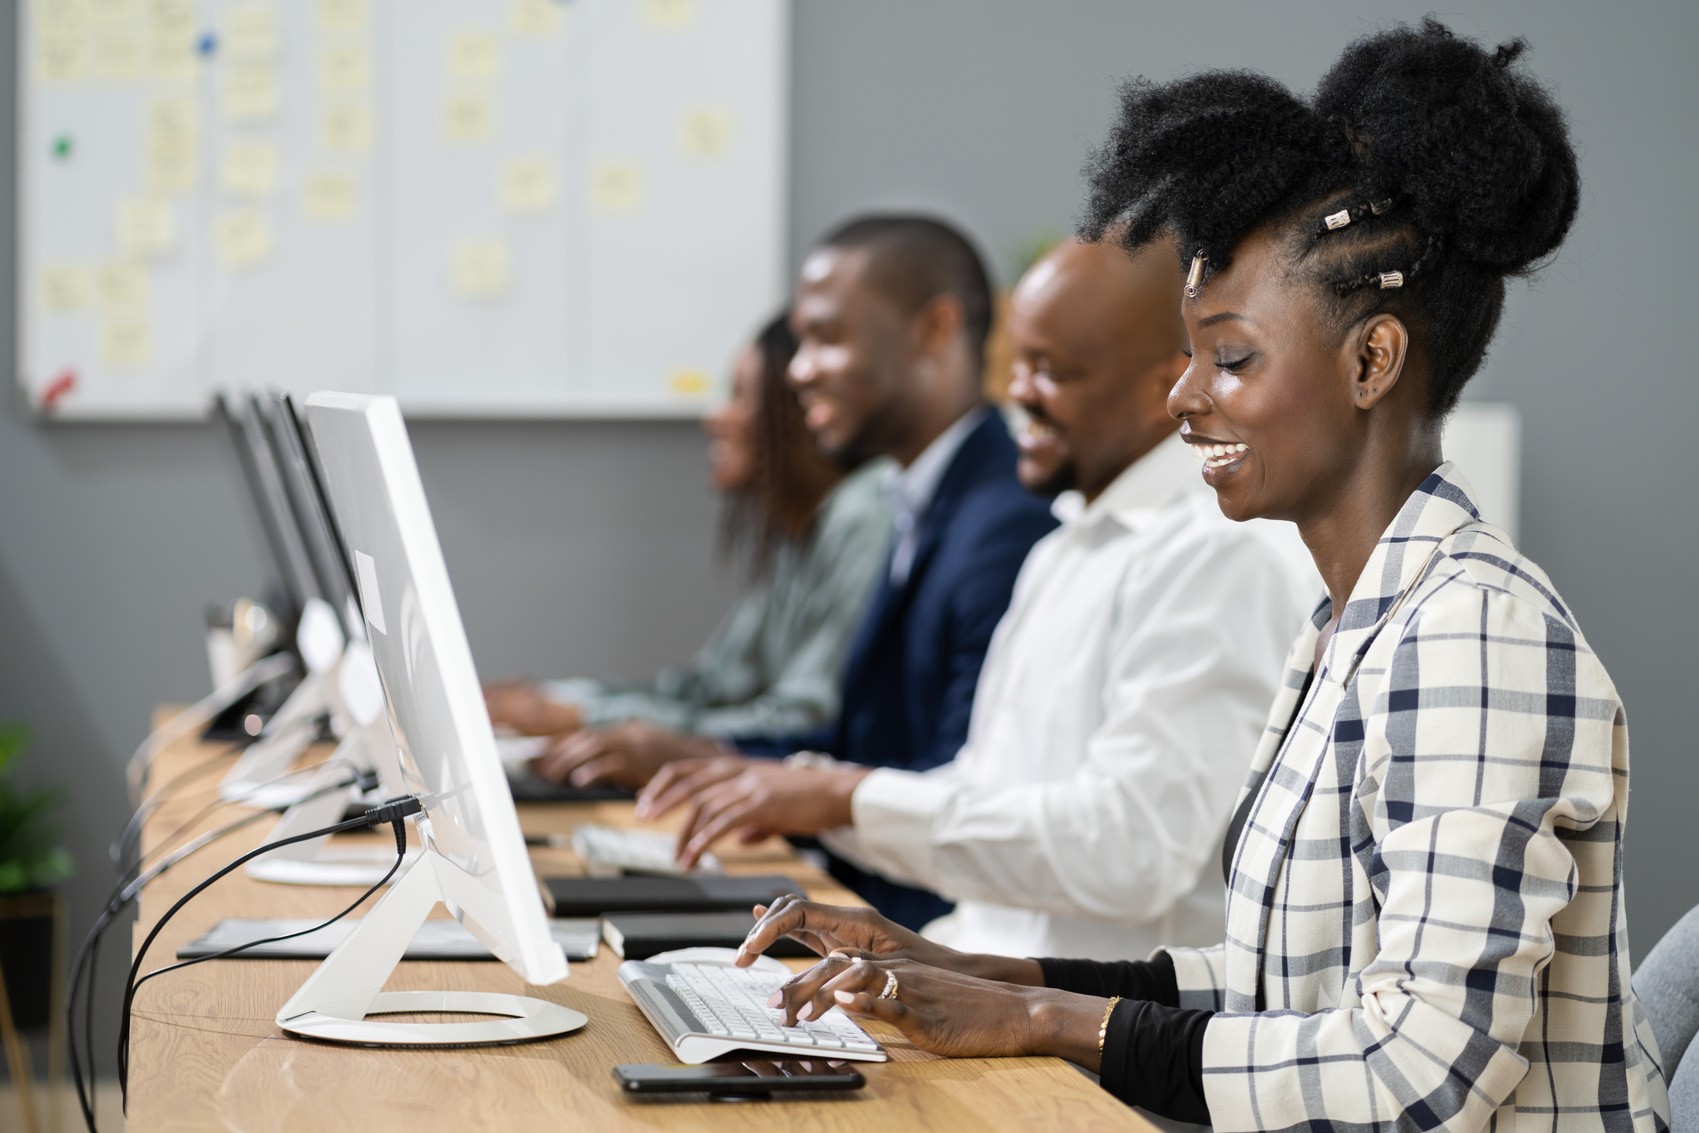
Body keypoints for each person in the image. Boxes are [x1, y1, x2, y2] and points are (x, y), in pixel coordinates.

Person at [732, 21, 1669, 1132]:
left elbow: (1420, 1069)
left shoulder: (1472, 633)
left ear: (1371, 361)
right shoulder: (1351, 620)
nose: (1181, 397)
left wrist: (1049, 1025)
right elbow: (1288, 985)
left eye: (1229, 357)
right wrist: (978, 973)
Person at [638, 236, 1317, 962]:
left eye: (1051, 369)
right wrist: (881, 924)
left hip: (1090, 1050)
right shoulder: (1065, 544)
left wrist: (846, 797)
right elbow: (988, 799)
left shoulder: (1216, 555)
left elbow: (1129, 853)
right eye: (1017, 362)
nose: (1017, 393)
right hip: (994, 991)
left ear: (1168, 384)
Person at [483, 313, 892, 786]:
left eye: (739, 395)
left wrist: (591, 716)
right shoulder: (803, 533)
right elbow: (708, 688)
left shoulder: (862, 515)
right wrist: (560, 703)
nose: (714, 416)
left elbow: (802, 722)